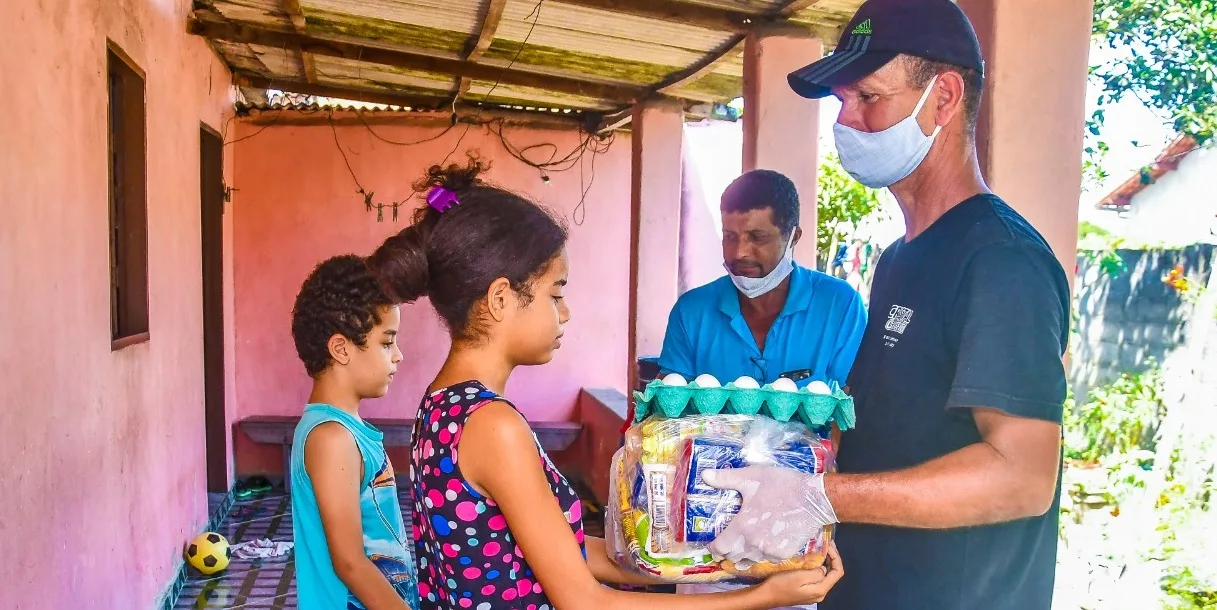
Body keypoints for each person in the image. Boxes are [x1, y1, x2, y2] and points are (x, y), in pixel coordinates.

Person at [701, 1, 1073, 609]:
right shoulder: (900, 258)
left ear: (945, 97)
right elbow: (901, 427)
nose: (846, 122)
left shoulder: (1000, 261)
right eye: (841, 103)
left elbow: (1021, 476)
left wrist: (817, 493)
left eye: (868, 97)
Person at [366, 157, 843, 610]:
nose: (566, 312)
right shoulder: (493, 425)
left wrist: (723, 564)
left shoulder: (442, 404)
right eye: (556, 293)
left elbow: (571, 551)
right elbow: (585, 600)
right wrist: (756, 599)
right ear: (500, 298)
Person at [654, 169, 866, 607]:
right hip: (706, 519)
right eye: (729, 236)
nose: (739, 253)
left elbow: (848, 412)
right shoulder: (693, 311)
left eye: (757, 237)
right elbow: (667, 422)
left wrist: (820, 508)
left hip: (797, 519)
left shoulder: (838, 304)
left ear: (794, 236)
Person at [288, 254, 420, 610]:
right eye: (387, 342)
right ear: (341, 348)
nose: (398, 356)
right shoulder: (331, 438)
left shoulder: (346, 431)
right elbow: (350, 563)